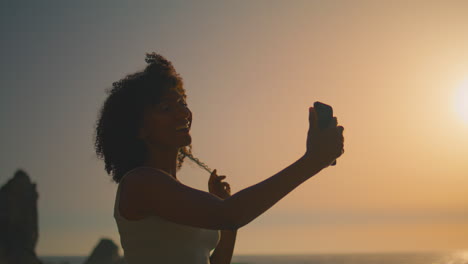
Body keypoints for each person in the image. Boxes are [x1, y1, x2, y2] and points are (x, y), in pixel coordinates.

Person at [93, 52, 344, 264]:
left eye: (181, 102)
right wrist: (312, 161)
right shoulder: (140, 182)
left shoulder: (174, 191)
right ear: (139, 129)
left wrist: (224, 214)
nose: (183, 112)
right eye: (166, 108)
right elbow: (229, 214)